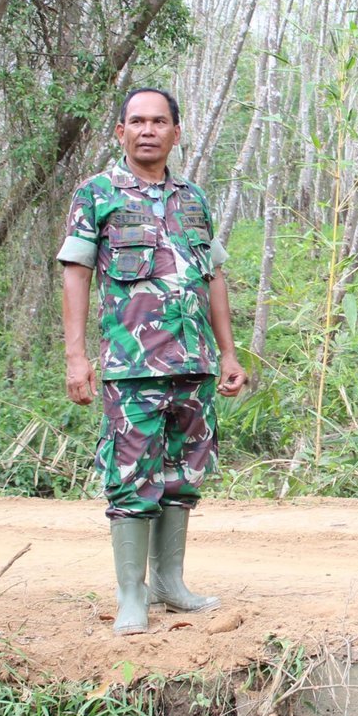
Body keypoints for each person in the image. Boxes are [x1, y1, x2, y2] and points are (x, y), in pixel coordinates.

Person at [59, 87, 247, 636]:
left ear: (175, 132)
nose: (147, 130)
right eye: (136, 122)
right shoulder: (97, 194)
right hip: (131, 365)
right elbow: (76, 272)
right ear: (120, 132)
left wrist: (228, 352)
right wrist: (76, 358)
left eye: (158, 121)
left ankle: (170, 583)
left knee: (182, 477)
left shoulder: (194, 199)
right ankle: (131, 596)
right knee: (130, 476)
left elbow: (213, 277)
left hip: (193, 364)